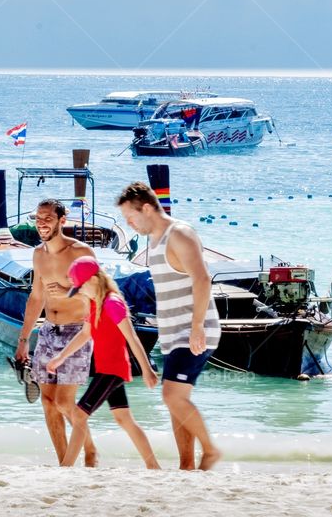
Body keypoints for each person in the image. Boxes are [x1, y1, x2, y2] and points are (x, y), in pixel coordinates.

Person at [117, 182, 222, 471]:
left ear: (147, 208)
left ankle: (211, 450)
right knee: (178, 403)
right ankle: (186, 466)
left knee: (171, 396)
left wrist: (197, 326)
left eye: (130, 217)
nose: (129, 223)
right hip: (173, 333)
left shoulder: (179, 234)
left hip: (192, 331)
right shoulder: (155, 240)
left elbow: (202, 279)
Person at [47, 257, 160, 469]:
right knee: (124, 419)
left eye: (81, 287)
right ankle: (154, 467)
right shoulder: (93, 303)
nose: (80, 292)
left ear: (93, 281)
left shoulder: (112, 303)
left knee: (79, 415)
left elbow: (132, 338)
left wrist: (147, 370)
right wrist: (61, 357)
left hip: (113, 369)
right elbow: (85, 334)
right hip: (105, 368)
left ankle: (66, 468)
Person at [15, 199, 99, 466]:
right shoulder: (38, 254)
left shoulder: (80, 252)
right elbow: (36, 298)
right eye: (38, 218)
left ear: (62, 220)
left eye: (48, 218)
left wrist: (68, 291)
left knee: (64, 402)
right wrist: (23, 340)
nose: (42, 223)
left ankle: (90, 450)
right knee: (48, 403)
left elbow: (100, 293)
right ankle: (65, 464)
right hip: (49, 332)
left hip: (76, 333)